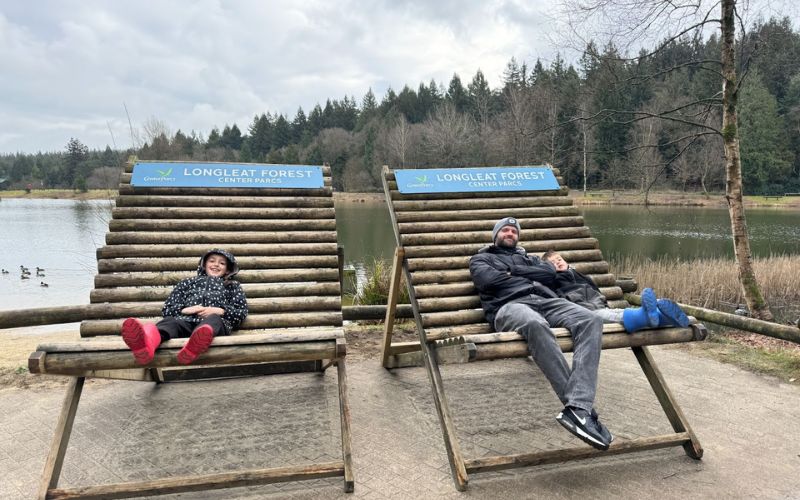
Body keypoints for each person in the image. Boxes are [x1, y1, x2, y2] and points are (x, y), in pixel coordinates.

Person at [469, 217, 612, 451]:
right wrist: (526, 274)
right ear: (495, 235)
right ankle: (582, 410)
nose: (509, 233)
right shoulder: (481, 258)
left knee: (591, 319)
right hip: (510, 307)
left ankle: (577, 408)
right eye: (504, 230)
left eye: (513, 231)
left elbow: (549, 273)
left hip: (547, 301)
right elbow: (488, 279)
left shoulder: (532, 258)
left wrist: (511, 271)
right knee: (536, 325)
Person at [121, 249, 248, 365]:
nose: (216, 264)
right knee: (169, 322)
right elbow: (168, 308)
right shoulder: (187, 283)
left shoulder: (232, 286)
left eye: (222, 263)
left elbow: (241, 312)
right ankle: (146, 344)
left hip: (215, 324)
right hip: (185, 322)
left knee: (213, 320)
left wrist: (220, 311)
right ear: (204, 265)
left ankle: (196, 343)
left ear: (227, 270)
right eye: (212, 261)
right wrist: (184, 309)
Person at [541, 250, 690, 331]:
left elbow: (596, 291)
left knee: (616, 313)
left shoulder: (581, 276)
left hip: (599, 307)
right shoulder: (553, 281)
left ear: (566, 261)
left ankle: (660, 315)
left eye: (559, 259)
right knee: (609, 316)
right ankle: (656, 311)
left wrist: (603, 301)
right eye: (553, 263)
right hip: (585, 313)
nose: (557, 263)